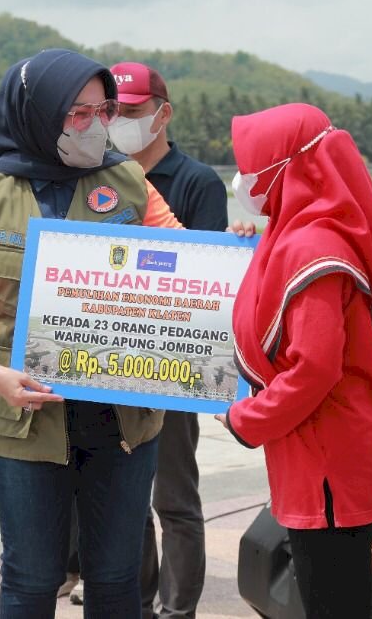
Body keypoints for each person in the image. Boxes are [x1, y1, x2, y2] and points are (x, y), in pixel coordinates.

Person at [0, 48, 183, 618]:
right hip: (23, 418)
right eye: (76, 113)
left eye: (102, 111)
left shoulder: (129, 182)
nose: (94, 125)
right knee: (29, 576)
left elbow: (187, 265)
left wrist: (238, 241)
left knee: (117, 578)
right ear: (36, 114)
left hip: (122, 418)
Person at [219, 103, 372, 619]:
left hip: (331, 472)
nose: (243, 178)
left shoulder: (313, 247)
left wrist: (246, 418)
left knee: (337, 603)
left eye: (253, 164)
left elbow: (315, 369)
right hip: (326, 459)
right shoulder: (300, 233)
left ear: (288, 166)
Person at [109, 61, 227, 619]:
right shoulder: (100, 177)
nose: (120, 123)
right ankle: (138, 601)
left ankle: (179, 609)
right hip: (110, 357)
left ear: (162, 113)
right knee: (128, 500)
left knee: (174, 496)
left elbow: (205, 277)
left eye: (132, 113)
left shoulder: (196, 181)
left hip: (174, 363)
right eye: (113, 113)